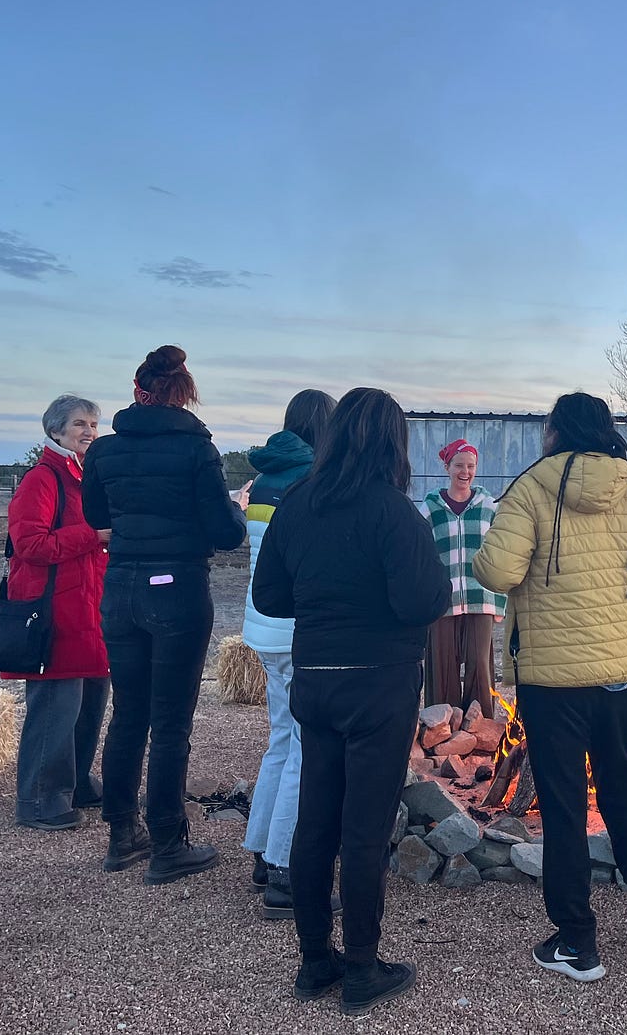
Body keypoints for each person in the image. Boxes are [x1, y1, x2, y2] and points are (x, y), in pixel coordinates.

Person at [473, 392, 627, 984]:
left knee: (564, 803)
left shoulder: (530, 487)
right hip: (624, 670)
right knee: (623, 785)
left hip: (553, 676)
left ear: (555, 432)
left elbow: (497, 572)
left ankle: (577, 941)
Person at [252, 387, 449, 1016]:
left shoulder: (298, 503)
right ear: (394, 443)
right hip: (380, 684)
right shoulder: (394, 512)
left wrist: (325, 598)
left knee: (316, 819)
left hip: (316, 678)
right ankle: (362, 965)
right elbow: (424, 602)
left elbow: (269, 597)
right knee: (364, 829)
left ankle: (315, 960)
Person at [81, 345, 249, 886]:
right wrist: (235, 509)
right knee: (171, 723)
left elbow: (95, 515)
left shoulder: (104, 451)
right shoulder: (197, 450)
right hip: (177, 588)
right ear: (184, 394)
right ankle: (168, 842)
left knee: (128, 715)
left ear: (138, 391)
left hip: (121, 586)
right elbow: (225, 533)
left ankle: (120, 834)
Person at [240, 389, 337, 915]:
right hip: (299, 627)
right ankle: (286, 869)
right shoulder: (311, 481)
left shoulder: (263, 480)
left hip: (262, 625)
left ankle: (262, 849)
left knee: (281, 739)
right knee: (305, 749)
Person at [4, 395, 110, 831]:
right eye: (80, 424)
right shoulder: (43, 479)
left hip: (89, 607)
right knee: (55, 706)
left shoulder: (86, 477)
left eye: (93, 424)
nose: (89, 431)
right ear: (55, 431)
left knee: (89, 702)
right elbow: (30, 545)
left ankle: (75, 783)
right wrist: (93, 535)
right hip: (55, 611)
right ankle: (38, 799)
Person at [421, 438, 506, 713]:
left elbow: (501, 553)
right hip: (442, 601)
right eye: (459, 465)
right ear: (447, 467)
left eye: (471, 466)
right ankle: (441, 729)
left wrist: (501, 600)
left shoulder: (489, 506)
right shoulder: (430, 508)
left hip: (481, 598)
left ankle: (480, 728)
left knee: (480, 667)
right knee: (442, 670)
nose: (465, 472)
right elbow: (420, 554)